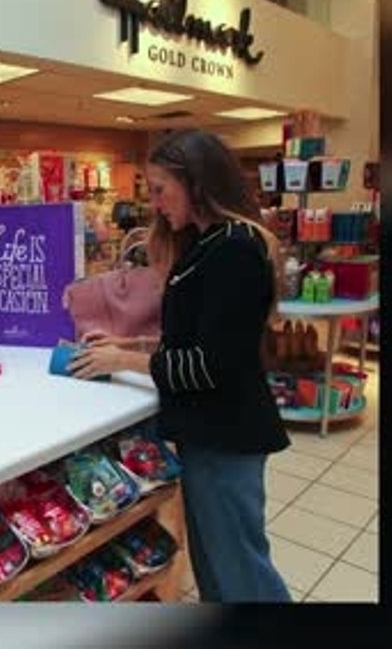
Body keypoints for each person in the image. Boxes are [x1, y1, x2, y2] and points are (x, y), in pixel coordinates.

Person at [69, 128, 291, 603]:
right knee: (216, 569)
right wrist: (131, 341)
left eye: (159, 189)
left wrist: (121, 359)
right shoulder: (210, 243)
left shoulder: (233, 249)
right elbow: (197, 338)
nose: (154, 204)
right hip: (210, 433)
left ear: (195, 183)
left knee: (240, 572)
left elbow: (211, 365)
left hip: (227, 435)